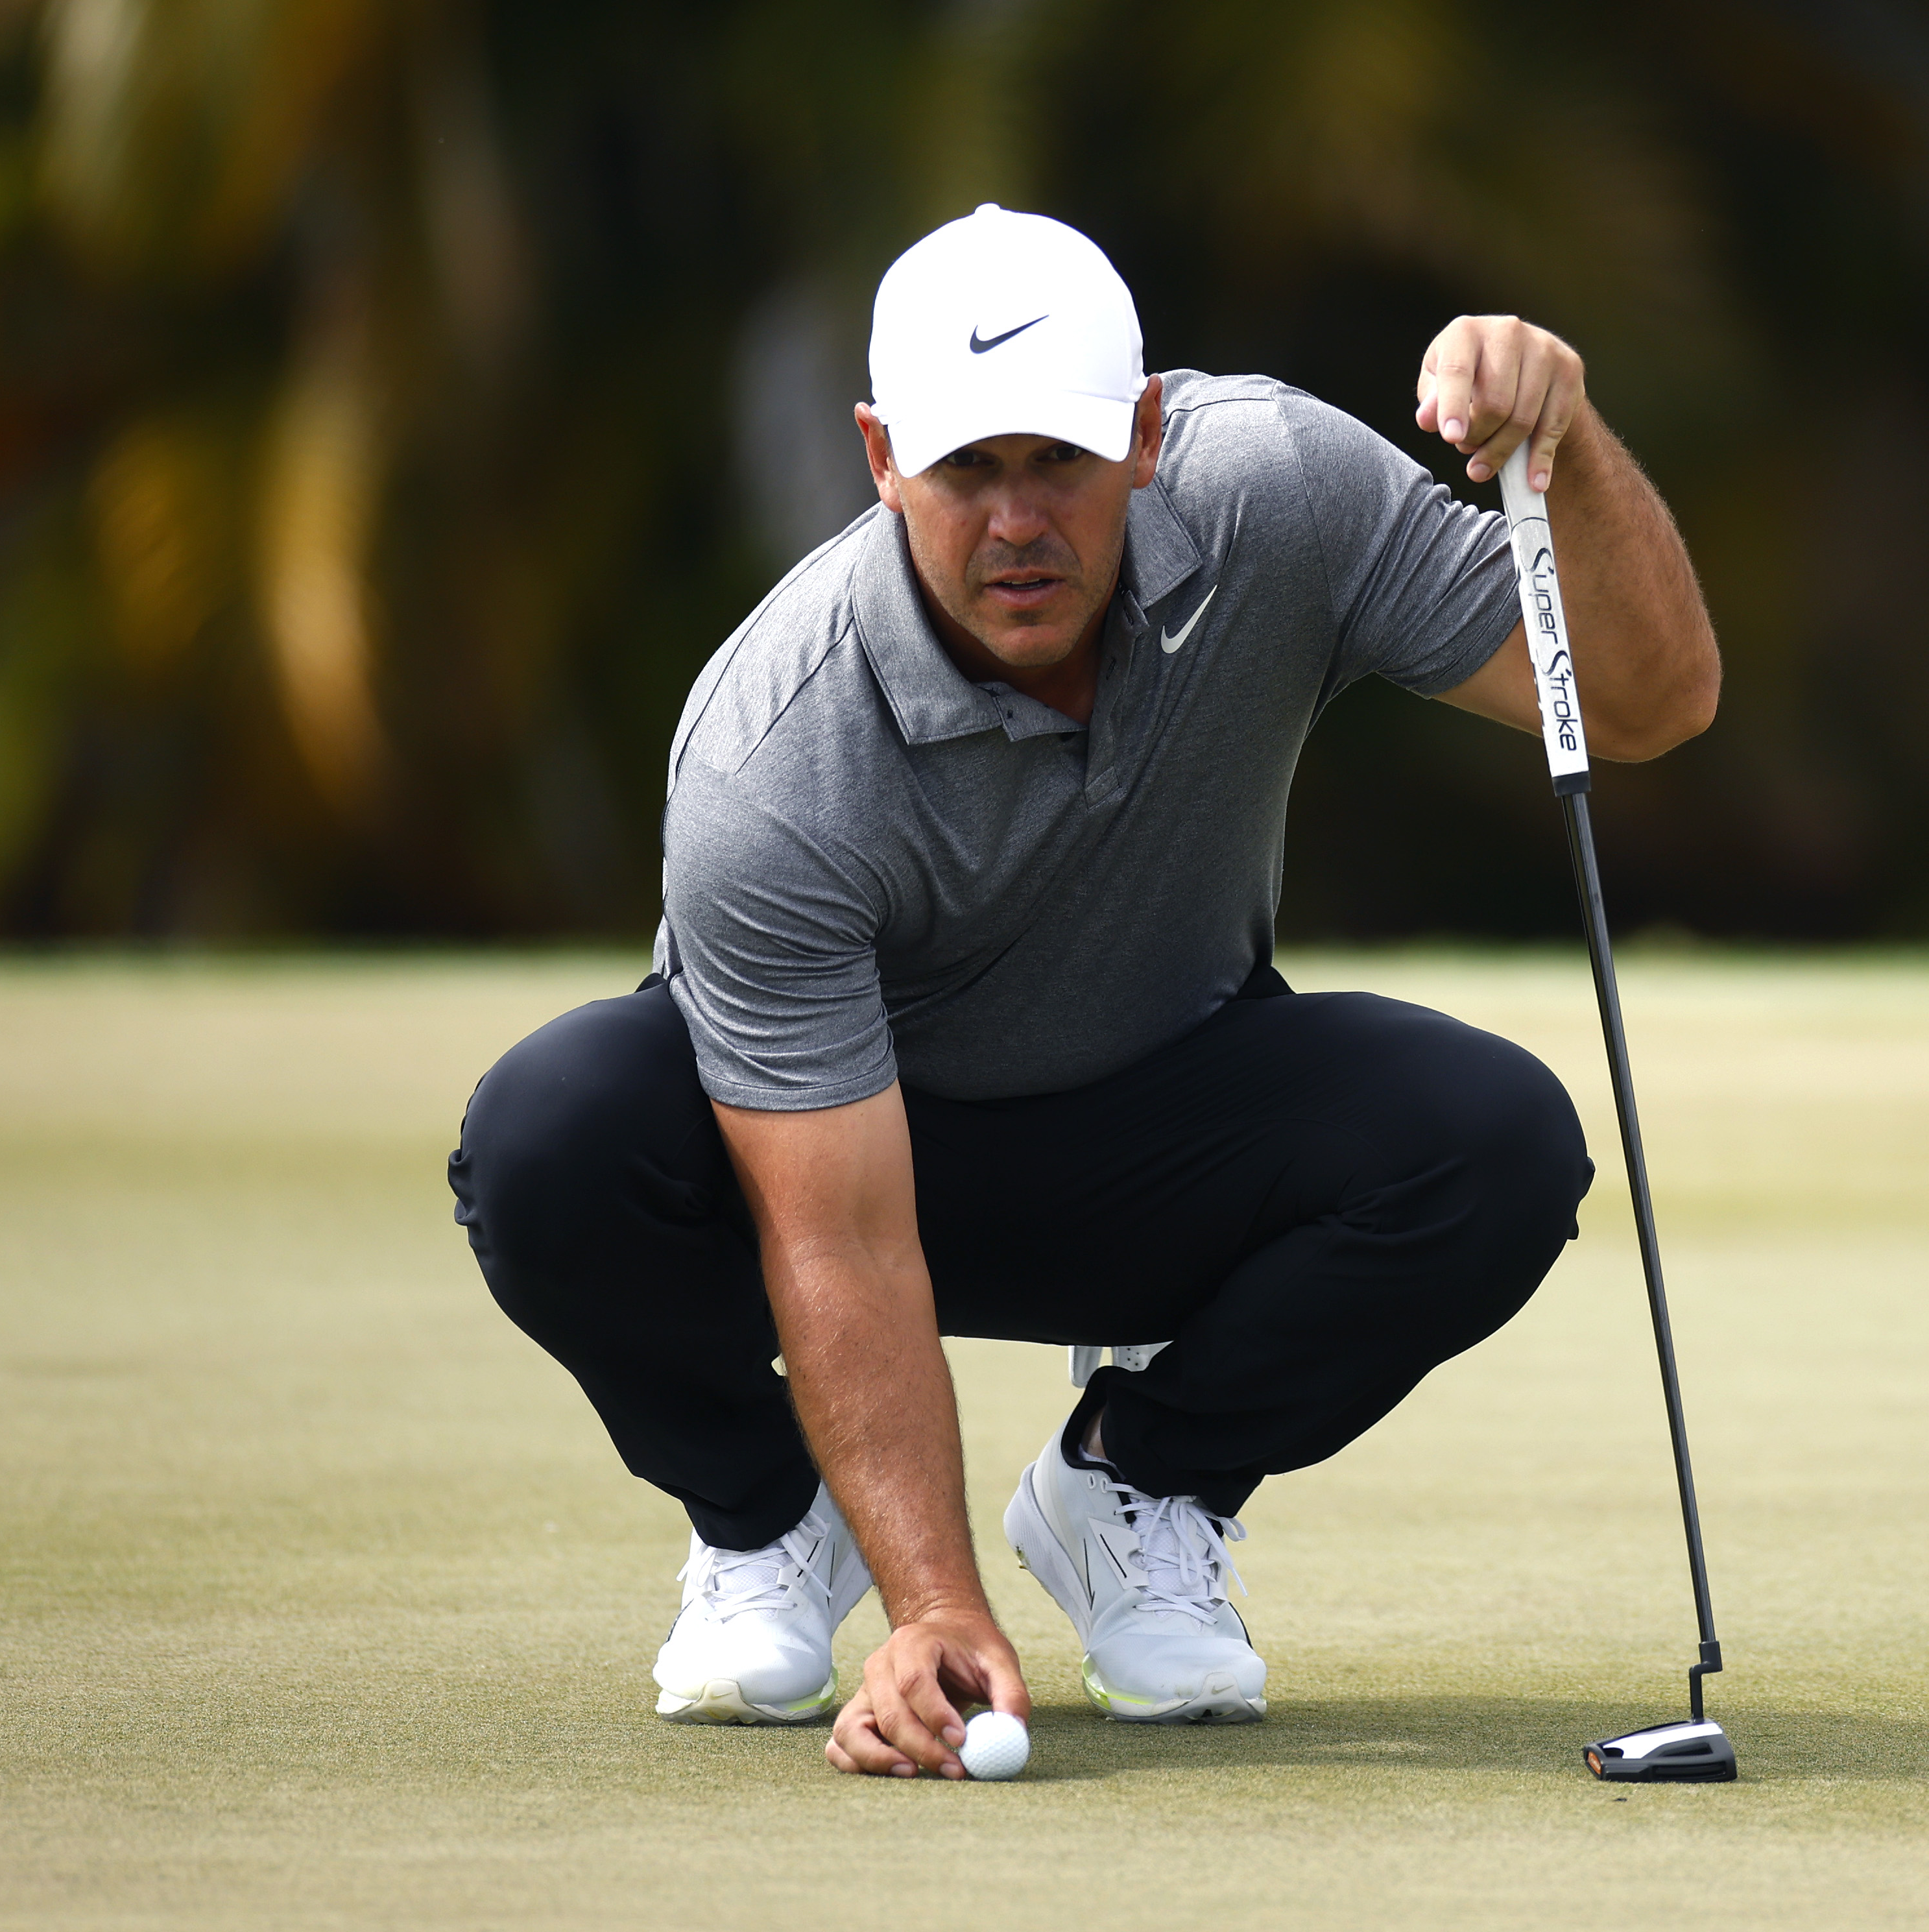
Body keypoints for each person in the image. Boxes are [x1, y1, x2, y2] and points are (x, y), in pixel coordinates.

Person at [447, 204, 1717, 1780]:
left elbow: (1649, 701)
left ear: (1144, 432)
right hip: (836, 1162)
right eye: (966, 469)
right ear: (878, 455)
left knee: (1491, 1138)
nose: (1015, 522)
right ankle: (773, 1518)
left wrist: (1570, 442)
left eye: (1057, 458)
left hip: (1155, 1129)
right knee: (546, 1135)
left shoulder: (1278, 494)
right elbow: (838, 1234)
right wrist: (933, 1608)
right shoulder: (772, 752)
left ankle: (1138, 1479)